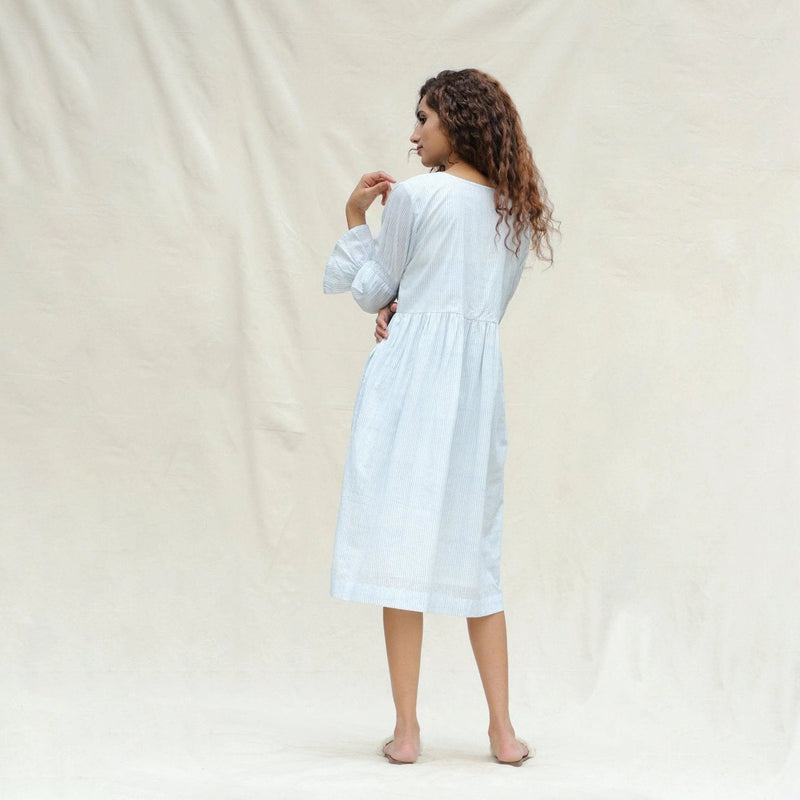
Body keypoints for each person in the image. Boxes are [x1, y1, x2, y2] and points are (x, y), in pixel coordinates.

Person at [323, 68, 555, 766]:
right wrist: (419, 304)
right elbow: (481, 309)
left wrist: (353, 220)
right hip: (474, 392)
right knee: (476, 552)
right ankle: (503, 733)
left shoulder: (416, 200)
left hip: (409, 383)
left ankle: (407, 731)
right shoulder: (515, 212)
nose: (413, 132)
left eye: (423, 118)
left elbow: (373, 293)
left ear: (456, 122)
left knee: (402, 548)